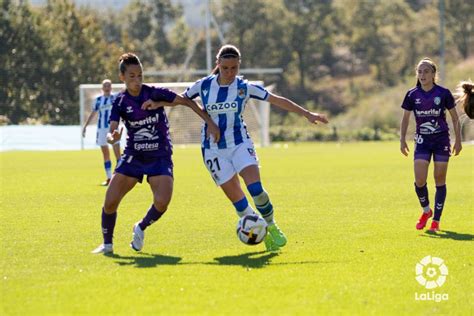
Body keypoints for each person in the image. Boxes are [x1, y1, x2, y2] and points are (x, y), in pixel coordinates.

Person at [150, 45, 328, 252]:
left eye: (234, 68)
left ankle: (272, 226)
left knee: (256, 189)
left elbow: (277, 100)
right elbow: (182, 99)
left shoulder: (244, 87)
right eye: (225, 68)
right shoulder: (204, 85)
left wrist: (307, 113)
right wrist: (156, 103)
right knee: (240, 203)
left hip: (239, 143)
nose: (229, 73)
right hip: (213, 150)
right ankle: (261, 231)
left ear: (239, 65)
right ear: (218, 65)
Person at [92, 53, 220, 254]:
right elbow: (113, 128)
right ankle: (107, 244)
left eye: (140, 75)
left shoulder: (154, 93)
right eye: (132, 76)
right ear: (122, 77)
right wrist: (112, 136)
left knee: (162, 202)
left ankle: (140, 227)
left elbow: (186, 101)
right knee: (110, 202)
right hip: (134, 155)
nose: (137, 80)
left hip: (159, 155)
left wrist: (210, 123)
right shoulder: (119, 101)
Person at [400, 57, 462, 232]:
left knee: (439, 180)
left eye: (426, 71)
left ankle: (436, 220)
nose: (422, 75)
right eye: (420, 71)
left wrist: (457, 140)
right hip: (422, 141)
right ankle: (426, 211)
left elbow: (455, 119)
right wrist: (402, 139)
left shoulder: (443, 93)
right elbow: (405, 119)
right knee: (420, 180)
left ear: (434, 74)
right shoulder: (412, 94)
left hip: (441, 140)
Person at [82, 79, 121, 186]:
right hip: (101, 129)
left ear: (111, 87)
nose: (107, 87)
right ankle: (109, 178)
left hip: (113, 128)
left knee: (117, 154)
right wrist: (85, 126)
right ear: (102, 88)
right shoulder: (98, 100)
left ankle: (120, 178)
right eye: (105, 85)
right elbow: (93, 113)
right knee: (105, 154)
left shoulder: (115, 97)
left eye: (109, 85)